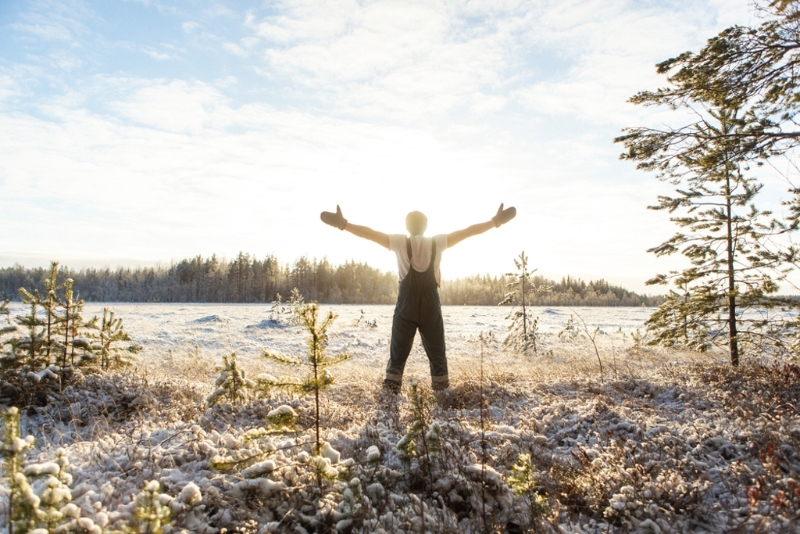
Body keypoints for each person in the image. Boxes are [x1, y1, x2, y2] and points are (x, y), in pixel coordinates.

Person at [319, 204, 516, 393]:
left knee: (398, 355)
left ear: (407, 227)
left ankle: (391, 394)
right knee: (437, 354)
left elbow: (370, 234)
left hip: (406, 305)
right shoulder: (437, 242)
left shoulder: (399, 241)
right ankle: (441, 394)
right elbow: (468, 232)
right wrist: (495, 221)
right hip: (431, 304)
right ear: (426, 226)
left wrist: (343, 224)